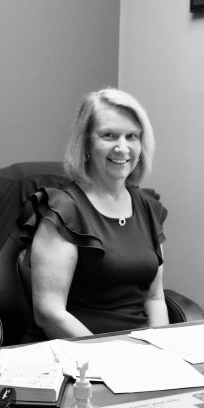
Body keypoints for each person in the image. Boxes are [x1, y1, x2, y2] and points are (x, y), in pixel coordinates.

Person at [18, 87, 170, 338]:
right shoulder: (63, 211)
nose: (123, 148)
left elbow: (154, 298)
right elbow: (49, 312)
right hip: (81, 357)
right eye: (109, 135)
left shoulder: (147, 207)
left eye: (132, 136)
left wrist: (162, 350)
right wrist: (108, 356)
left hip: (141, 355)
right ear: (86, 143)